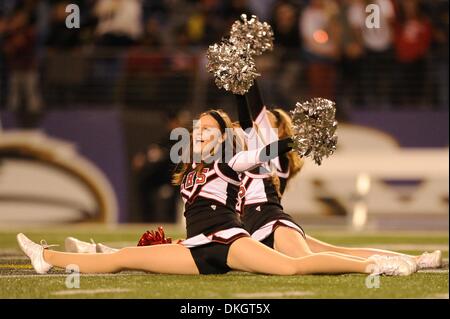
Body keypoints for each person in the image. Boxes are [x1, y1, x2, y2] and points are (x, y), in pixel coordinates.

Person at [17, 109, 413, 276]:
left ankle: (375, 266)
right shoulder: (191, 167)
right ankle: (46, 256)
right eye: (197, 128)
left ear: (223, 137)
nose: (200, 132)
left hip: (228, 241)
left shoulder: (230, 159)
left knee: (292, 266)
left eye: (208, 128)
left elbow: (261, 153)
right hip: (197, 248)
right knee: (123, 257)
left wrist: (292, 143)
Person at [234, 81, 441, 270]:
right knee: (338, 252)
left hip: (267, 220)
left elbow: (254, 113)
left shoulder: (277, 157)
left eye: (266, 124)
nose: (258, 125)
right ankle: (416, 260)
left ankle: (386, 266)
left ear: (278, 133)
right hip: (255, 224)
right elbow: (247, 122)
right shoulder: (248, 156)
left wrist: (245, 75)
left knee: (308, 261)